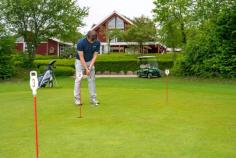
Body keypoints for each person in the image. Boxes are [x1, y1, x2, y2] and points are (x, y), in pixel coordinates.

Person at [74, 30, 100, 106]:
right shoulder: (80, 43)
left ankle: (93, 99)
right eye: (91, 40)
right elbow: (81, 57)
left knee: (92, 80)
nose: (92, 42)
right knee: (78, 80)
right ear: (87, 37)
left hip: (90, 61)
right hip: (80, 62)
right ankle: (77, 100)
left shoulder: (97, 42)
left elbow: (95, 56)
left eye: (94, 40)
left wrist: (90, 67)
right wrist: (86, 68)